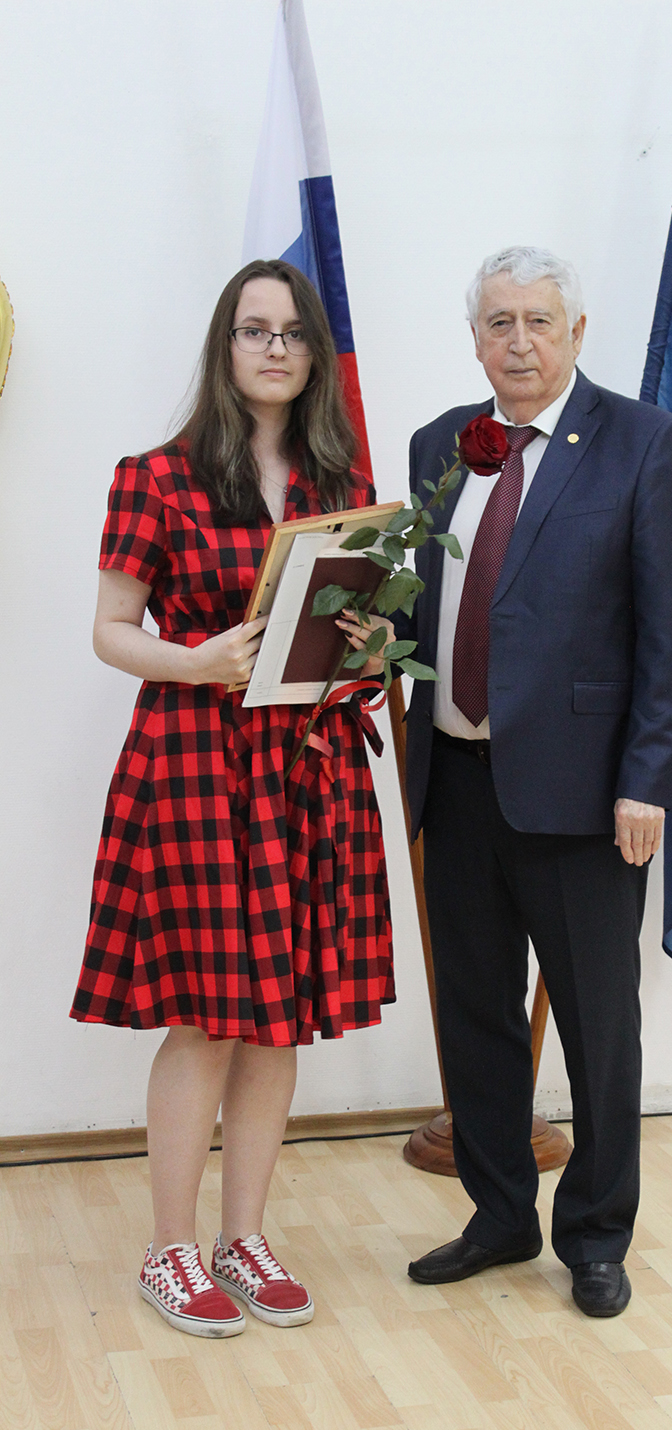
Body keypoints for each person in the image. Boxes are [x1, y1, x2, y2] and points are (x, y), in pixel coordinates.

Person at [72, 259, 394, 1338]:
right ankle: (170, 1249)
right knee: (207, 1019)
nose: (275, 348)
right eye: (255, 330)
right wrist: (196, 661)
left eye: (293, 333)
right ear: (225, 345)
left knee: (276, 1017)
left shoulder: (340, 486)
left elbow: (348, 634)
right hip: (197, 767)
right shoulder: (154, 478)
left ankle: (242, 1238)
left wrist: (371, 645)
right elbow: (111, 630)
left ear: (313, 355)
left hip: (306, 766)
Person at [402, 246, 672, 1317]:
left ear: (577, 332)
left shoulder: (643, 443)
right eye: (499, 322)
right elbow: (424, 601)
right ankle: (499, 1215)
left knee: (598, 1029)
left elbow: (670, 636)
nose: (519, 342)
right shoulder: (440, 444)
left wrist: (646, 783)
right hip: (455, 782)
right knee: (475, 1014)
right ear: (474, 338)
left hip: (585, 799)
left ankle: (595, 1234)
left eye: (539, 321)